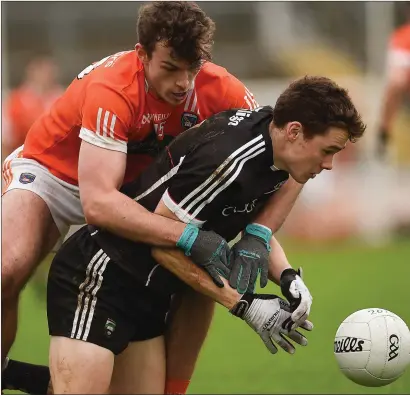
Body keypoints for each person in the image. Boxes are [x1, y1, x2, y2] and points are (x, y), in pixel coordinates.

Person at [1, 2, 303, 395]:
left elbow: (284, 157)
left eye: (192, 68)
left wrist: (261, 236)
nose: (184, 82)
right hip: (56, 174)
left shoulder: (221, 89)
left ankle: (170, 388)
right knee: (9, 265)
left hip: (131, 189)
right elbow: (98, 206)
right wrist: (188, 237)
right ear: (141, 54)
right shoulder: (114, 88)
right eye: (170, 68)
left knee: (200, 276)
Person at [6, 76, 365, 394]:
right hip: (100, 277)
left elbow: (246, 221)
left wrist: (287, 275)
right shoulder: (228, 164)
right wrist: (242, 305)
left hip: (148, 292)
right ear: (295, 132)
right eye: (328, 151)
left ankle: (17, 375)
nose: (329, 165)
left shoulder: (276, 152)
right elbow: (163, 243)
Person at [377, 3, 410, 158]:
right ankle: (384, 131)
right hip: (404, 80)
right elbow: (398, 70)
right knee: (396, 81)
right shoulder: (403, 36)